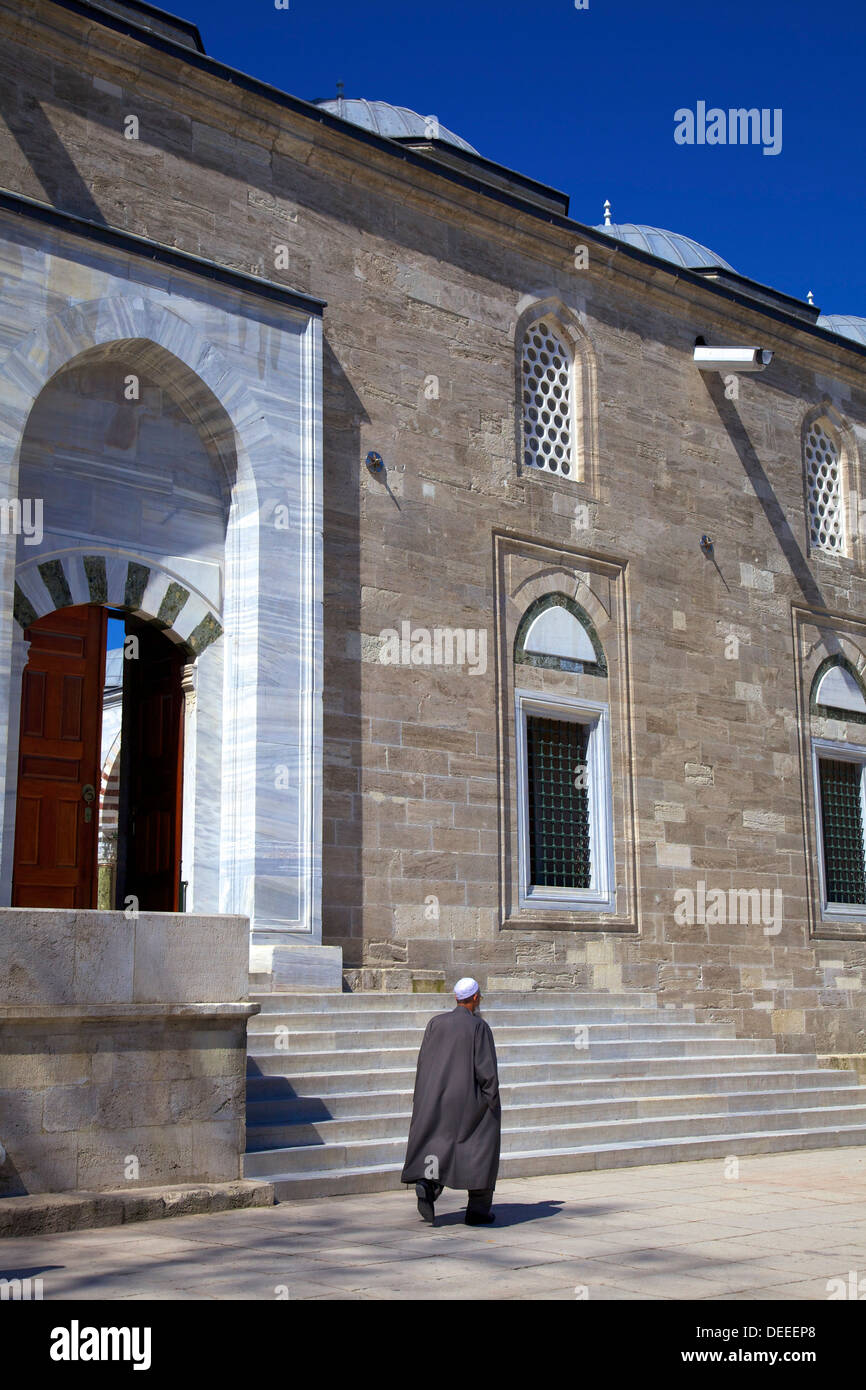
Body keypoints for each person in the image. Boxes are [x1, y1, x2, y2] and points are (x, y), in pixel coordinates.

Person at [400, 976, 501, 1226]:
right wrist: (493, 1103)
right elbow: (486, 1072)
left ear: (456, 998)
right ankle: (478, 1208)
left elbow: (423, 1063)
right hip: (469, 1100)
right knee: (482, 1145)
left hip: (435, 1097)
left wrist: (421, 1097)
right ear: (475, 998)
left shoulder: (435, 1023)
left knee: (438, 1143)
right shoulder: (479, 1027)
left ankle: (428, 1185)